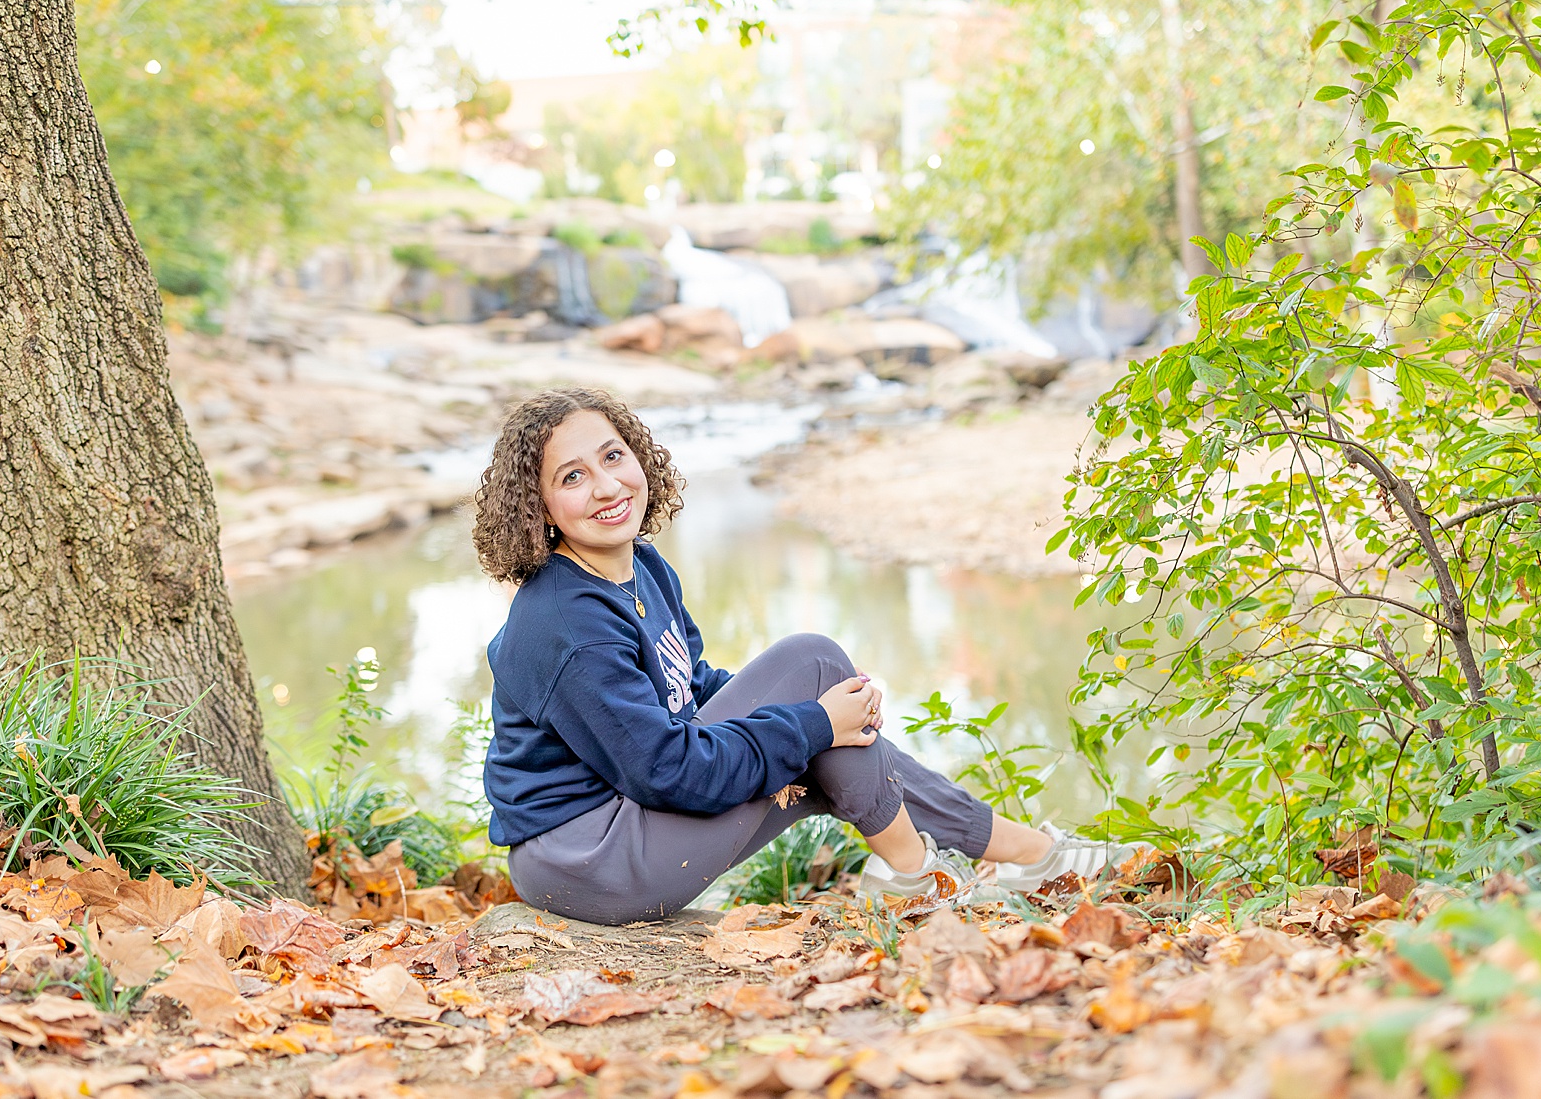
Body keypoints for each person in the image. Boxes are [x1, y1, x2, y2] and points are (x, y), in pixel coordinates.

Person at [473, 387, 1135, 925]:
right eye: (572, 476)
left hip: (629, 825)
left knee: (819, 714)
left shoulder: (640, 566)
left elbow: (692, 689)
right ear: (543, 509)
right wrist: (806, 725)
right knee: (816, 675)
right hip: (587, 857)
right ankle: (919, 874)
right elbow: (665, 770)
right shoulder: (568, 622)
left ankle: (1017, 854)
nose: (607, 484)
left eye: (613, 455)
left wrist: (801, 724)